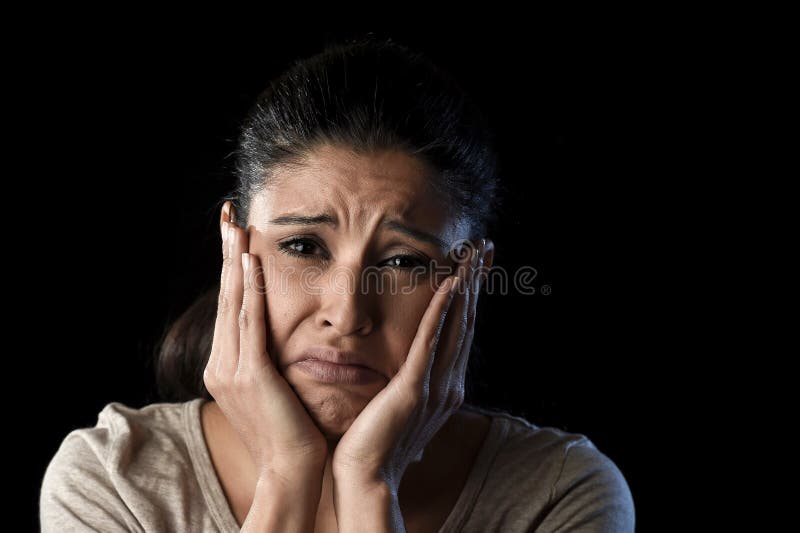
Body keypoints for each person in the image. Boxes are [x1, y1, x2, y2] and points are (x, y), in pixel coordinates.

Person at [39, 36, 635, 532]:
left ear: (470, 278)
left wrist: (371, 486)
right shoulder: (114, 482)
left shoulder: (560, 497)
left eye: (403, 262)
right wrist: (286, 472)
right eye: (302, 246)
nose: (347, 315)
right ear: (235, 248)